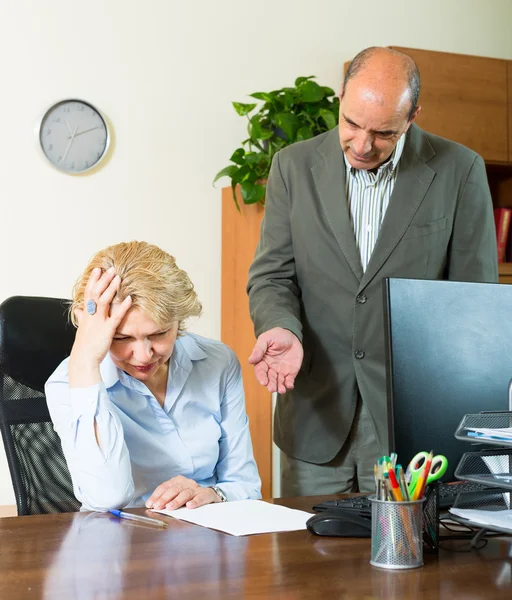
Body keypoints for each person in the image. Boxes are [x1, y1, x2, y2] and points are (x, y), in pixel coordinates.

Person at [247, 46, 498, 497]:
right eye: (352, 124)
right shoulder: (293, 166)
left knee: (407, 560)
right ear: (340, 97)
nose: (363, 145)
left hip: (412, 424)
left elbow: (472, 305)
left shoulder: (459, 171)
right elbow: (272, 276)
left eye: (383, 133)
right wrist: (280, 326)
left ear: (412, 115)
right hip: (315, 416)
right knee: (309, 562)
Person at [46, 241, 261, 512]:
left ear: (178, 320)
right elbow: (106, 497)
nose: (144, 355)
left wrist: (213, 492)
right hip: (124, 540)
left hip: (208, 533)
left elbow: (246, 485)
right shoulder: (68, 382)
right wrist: (86, 361)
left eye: (159, 334)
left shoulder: (217, 362)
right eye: (122, 338)